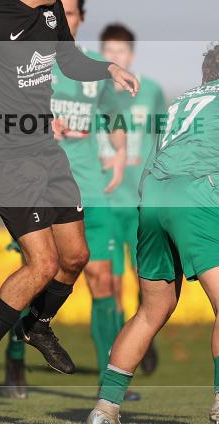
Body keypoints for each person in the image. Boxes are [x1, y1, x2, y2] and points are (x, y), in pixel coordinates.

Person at [0, 0, 139, 408]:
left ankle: (36, 325)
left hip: (43, 149)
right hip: (3, 156)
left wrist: (108, 68)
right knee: (43, 262)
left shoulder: (52, 10)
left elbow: (70, 63)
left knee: (75, 257)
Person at [86, 39, 219, 424]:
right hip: (199, 194)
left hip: (152, 197)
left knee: (151, 311)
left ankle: (104, 408)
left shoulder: (184, 100)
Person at [2, 0, 132, 400]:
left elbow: (114, 117)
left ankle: (110, 383)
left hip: (91, 190)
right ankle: (16, 361)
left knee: (104, 282)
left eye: (73, 14)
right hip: (40, 186)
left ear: (80, 19)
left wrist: (119, 150)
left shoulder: (91, 70)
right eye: (61, 13)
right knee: (37, 273)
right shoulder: (37, 66)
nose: (66, 19)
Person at [97, 23, 166, 376]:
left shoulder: (150, 91)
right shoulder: (92, 93)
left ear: (132, 56)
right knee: (110, 284)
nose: (115, 57)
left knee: (147, 280)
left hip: (141, 202)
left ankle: (145, 334)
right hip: (106, 202)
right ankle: (114, 361)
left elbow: (163, 137)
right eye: (108, 52)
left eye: (120, 51)